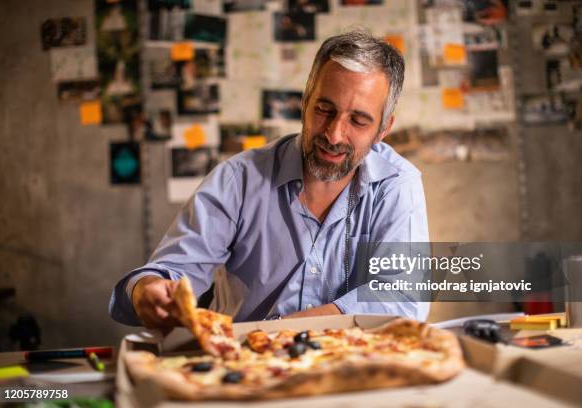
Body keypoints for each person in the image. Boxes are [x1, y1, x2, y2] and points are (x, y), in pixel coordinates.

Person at [109, 30, 429, 330]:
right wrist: (146, 291)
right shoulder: (239, 179)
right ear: (304, 101)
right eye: (323, 109)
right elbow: (171, 272)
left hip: (351, 371)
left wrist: (280, 332)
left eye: (358, 120)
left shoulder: (398, 184)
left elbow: (403, 296)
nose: (334, 134)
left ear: (383, 129)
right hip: (242, 369)